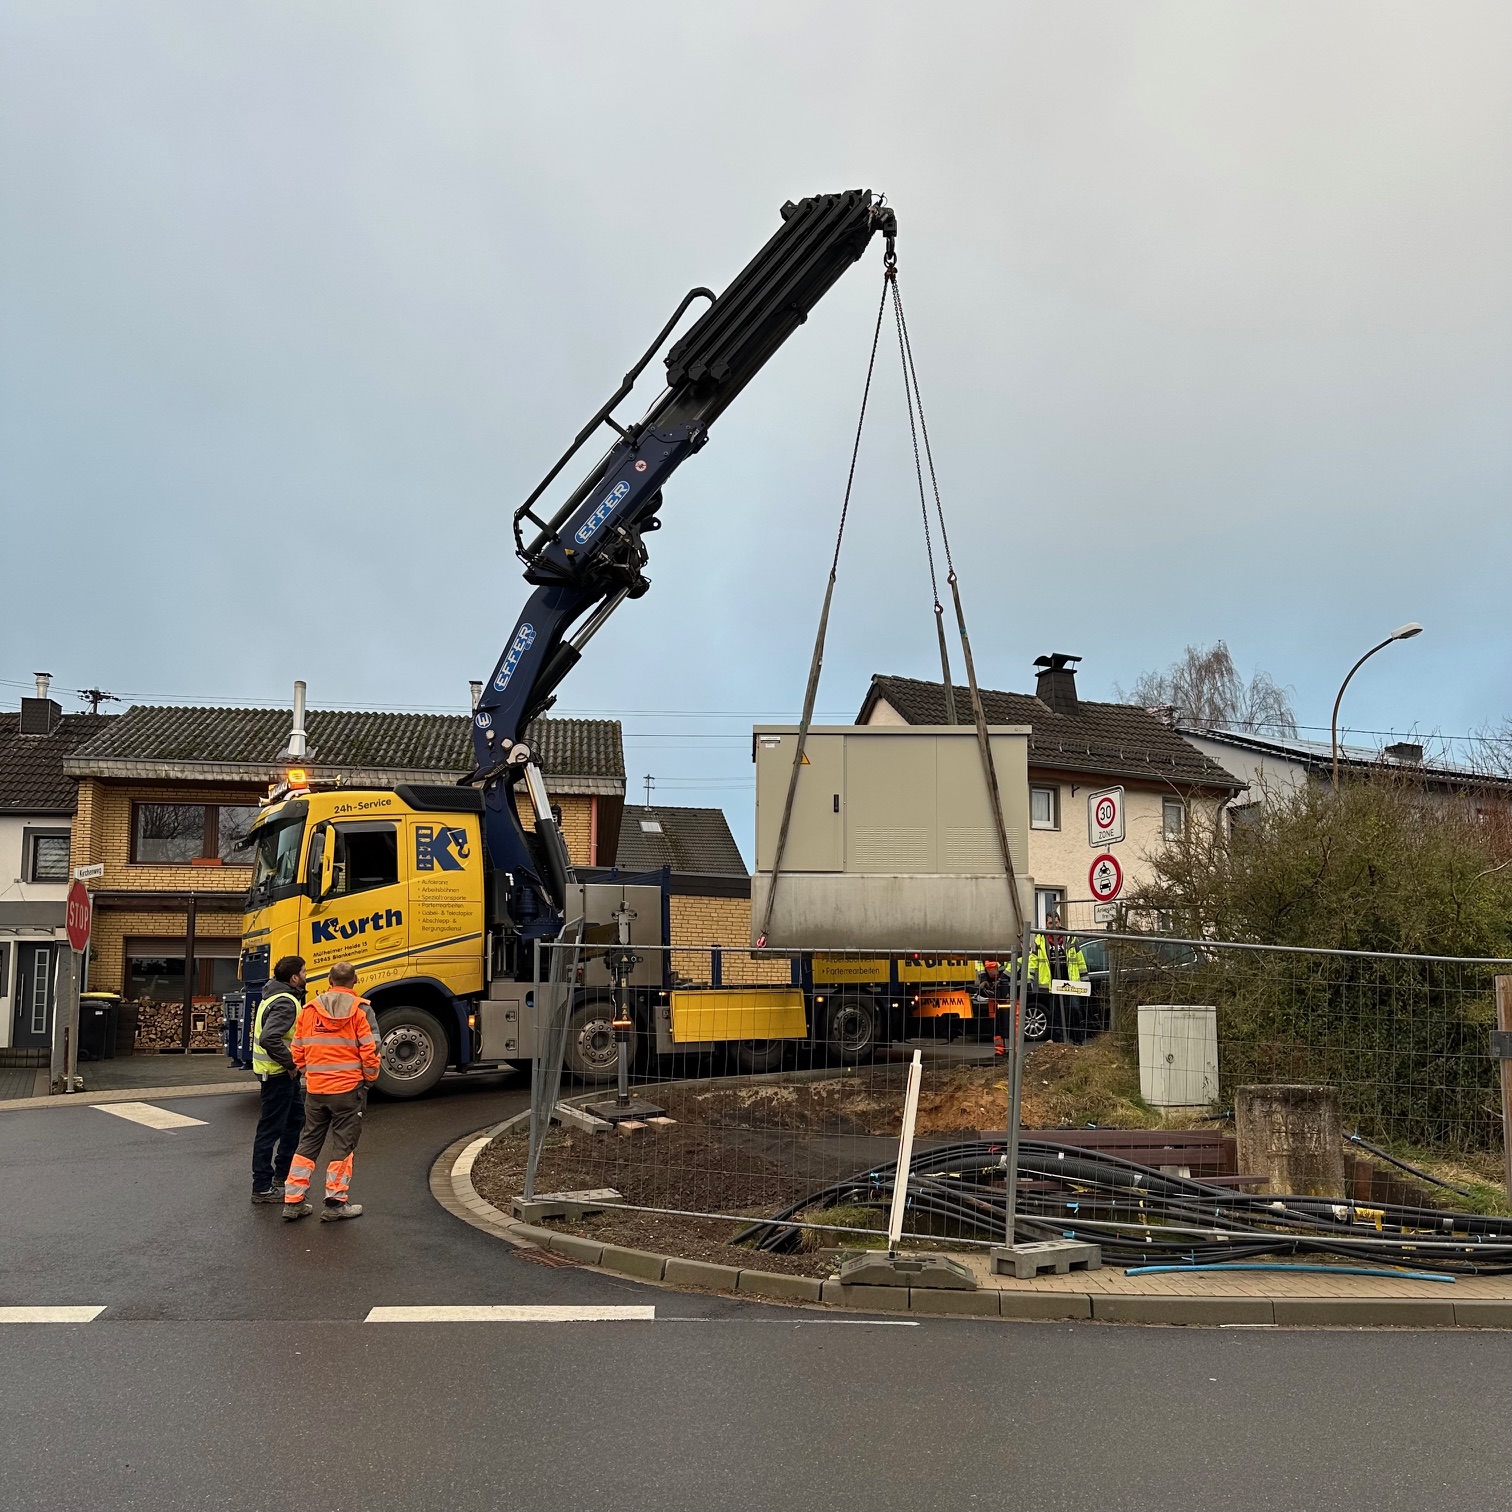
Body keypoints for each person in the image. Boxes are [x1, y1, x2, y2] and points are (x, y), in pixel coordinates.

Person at [283, 962, 381, 1223]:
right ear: (355, 981)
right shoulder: (361, 1010)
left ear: (329, 980)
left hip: (316, 1090)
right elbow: (370, 1052)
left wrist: (309, 1073)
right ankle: (335, 1204)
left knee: (308, 1143)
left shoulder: (309, 1011)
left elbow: (297, 1051)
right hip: (348, 1090)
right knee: (343, 1146)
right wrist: (369, 1080)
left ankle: (293, 1201)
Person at [250, 955, 308, 1203]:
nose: (306, 975)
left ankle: (281, 1176)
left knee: (295, 1121)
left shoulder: (273, 996)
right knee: (270, 1130)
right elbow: (270, 1038)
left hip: (279, 1074)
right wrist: (291, 1063)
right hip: (279, 1075)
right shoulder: (285, 1003)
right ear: (294, 977)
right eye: (304, 972)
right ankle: (262, 1187)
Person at [1028, 911, 1089, 1042]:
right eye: (1050, 923)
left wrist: (1085, 980)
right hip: (1052, 984)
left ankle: (1077, 1041)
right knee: (1055, 1014)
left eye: (1056, 922)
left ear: (1060, 923)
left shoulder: (1071, 938)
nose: (1054, 926)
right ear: (1046, 924)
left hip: (1071, 982)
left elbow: (1080, 960)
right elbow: (1033, 961)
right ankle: (1058, 1042)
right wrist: (1030, 979)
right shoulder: (1039, 940)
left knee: (1074, 1010)